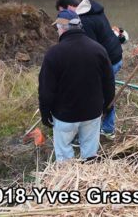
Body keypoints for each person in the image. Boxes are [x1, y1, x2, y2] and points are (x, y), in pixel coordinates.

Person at [39, 10, 115, 162]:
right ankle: (89, 180)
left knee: (64, 155)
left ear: (62, 28)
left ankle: (68, 182)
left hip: (65, 116)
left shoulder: (53, 54)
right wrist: (107, 106)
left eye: (57, 28)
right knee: (90, 153)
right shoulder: (99, 49)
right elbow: (109, 83)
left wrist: (45, 113)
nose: (57, 31)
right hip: (92, 113)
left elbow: (46, 90)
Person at [55, 0, 122, 138]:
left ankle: (98, 130)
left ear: (70, 8)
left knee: (96, 95)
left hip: (108, 60)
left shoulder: (83, 20)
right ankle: (106, 128)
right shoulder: (92, 9)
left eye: (62, 13)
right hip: (115, 56)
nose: (62, 17)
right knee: (104, 92)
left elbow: (90, 50)